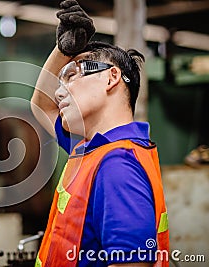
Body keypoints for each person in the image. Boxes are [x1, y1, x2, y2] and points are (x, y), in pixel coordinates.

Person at [30, 1, 169, 266]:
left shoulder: (118, 166)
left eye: (73, 75)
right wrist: (62, 51)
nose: (60, 92)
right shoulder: (90, 150)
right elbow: (41, 105)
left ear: (111, 78)